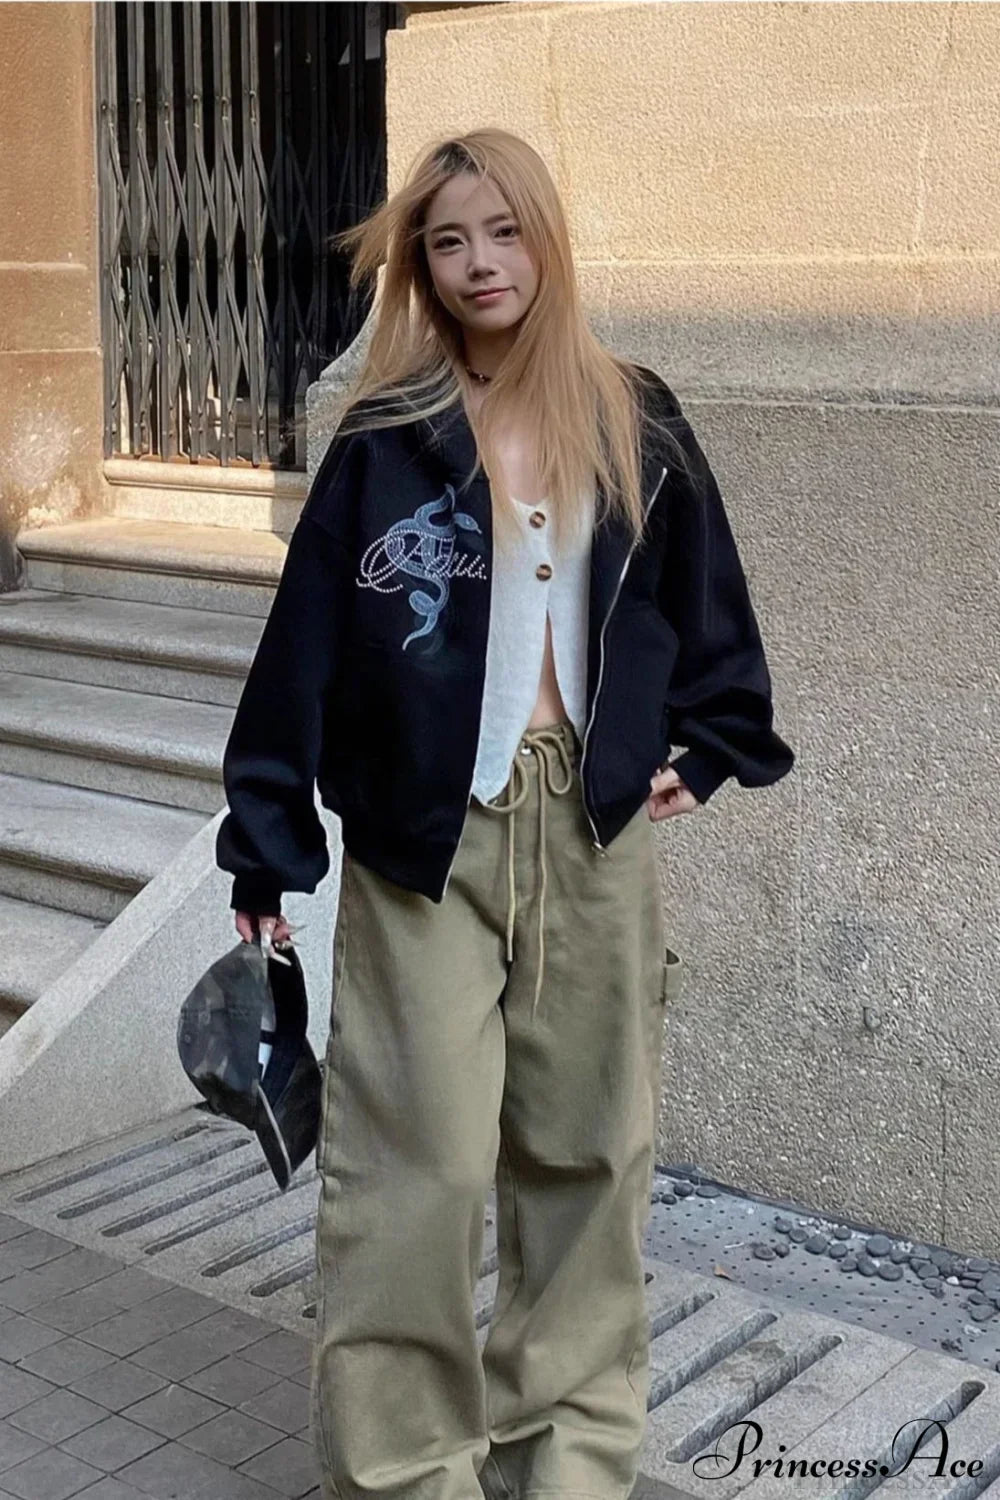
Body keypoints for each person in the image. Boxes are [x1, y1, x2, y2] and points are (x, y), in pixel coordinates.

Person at [216, 127, 794, 1500]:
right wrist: (267, 846)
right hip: (426, 843)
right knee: (411, 1171)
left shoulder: (635, 415)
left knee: (590, 1159)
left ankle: (568, 1465)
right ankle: (404, 1471)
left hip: (591, 834)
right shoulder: (387, 436)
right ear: (419, 266)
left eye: (505, 230)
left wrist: (708, 746)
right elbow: (305, 646)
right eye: (448, 241)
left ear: (548, 238)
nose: (481, 263)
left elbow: (702, 604)